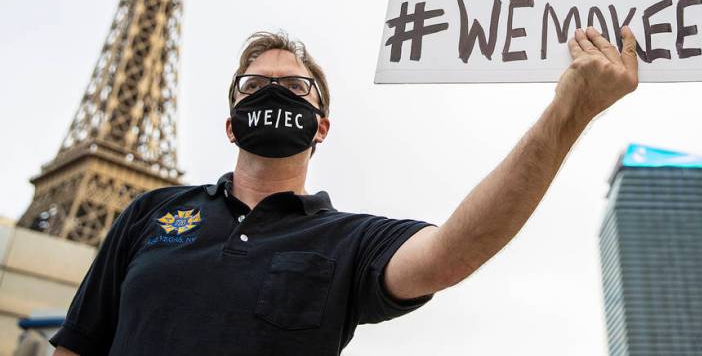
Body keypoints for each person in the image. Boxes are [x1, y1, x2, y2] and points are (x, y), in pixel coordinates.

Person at [51, 25, 638, 355]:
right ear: (231, 121)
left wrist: (570, 111)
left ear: (321, 126)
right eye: (255, 84)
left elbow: (454, 250)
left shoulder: (349, 241)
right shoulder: (149, 213)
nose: (274, 93)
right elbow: (76, 346)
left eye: (296, 87)